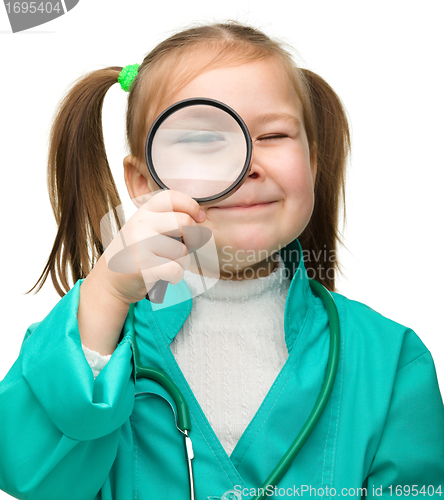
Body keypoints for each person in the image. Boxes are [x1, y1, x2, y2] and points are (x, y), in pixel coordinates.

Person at [0, 20, 443, 500]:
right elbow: (34, 478)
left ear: (313, 162)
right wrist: (106, 292)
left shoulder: (392, 360)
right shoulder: (96, 342)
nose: (248, 164)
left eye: (273, 136)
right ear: (145, 182)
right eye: (204, 140)